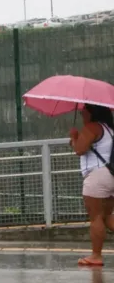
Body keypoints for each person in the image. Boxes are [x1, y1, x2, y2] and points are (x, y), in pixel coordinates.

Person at [69, 104, 114, 266]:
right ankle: (96, 255)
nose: (82, 113)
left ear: (93, 112)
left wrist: (74, 137)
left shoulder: (92, 127)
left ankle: (96, 255)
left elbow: (80, 149)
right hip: (110, 175)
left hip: (97, 176)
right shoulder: (109, 129)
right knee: (107, 217)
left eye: (85, 110)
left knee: (95, 217)